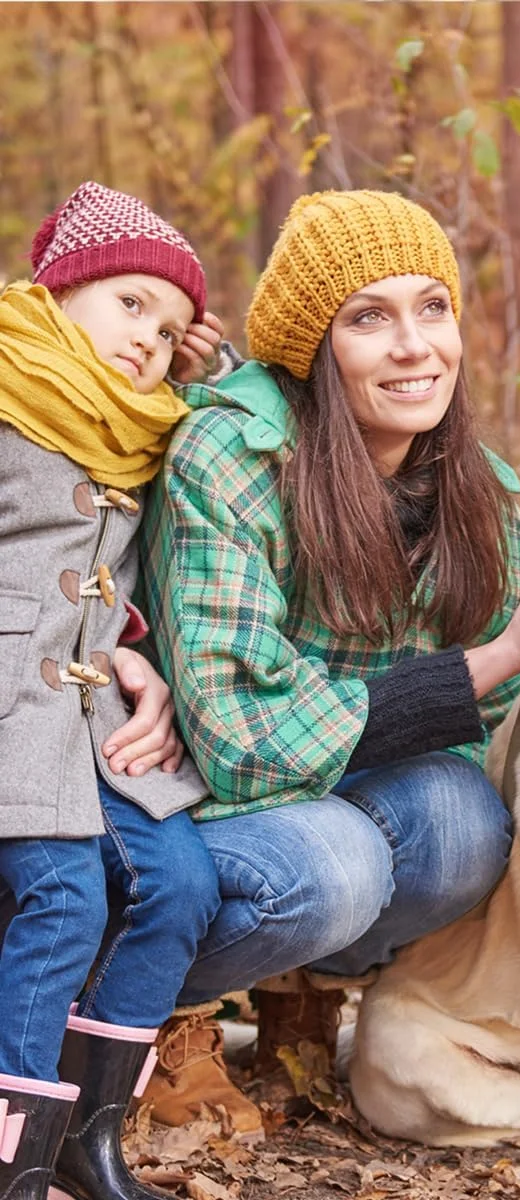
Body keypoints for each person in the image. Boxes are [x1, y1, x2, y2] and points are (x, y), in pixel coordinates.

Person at [137, 189, 520, 1124]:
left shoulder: (480, 495)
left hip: (329, 781)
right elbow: (239, 740)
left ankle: (299, 991)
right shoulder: (230, 457)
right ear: (314, 348)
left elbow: (471, 733)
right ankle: (154, 1016)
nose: (415, 347)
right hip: (192, 801)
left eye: (433, 308)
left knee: (462, 826)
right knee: (337, 866)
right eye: (369, 318)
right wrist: (493, 660)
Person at [0, 181, 226, 1200]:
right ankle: (13, 1158)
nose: (148, 338)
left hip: (88, 718)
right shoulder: (12, 387)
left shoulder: (139, 427)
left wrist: (126, 638)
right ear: (63, 290)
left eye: (170, 328)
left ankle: (87, 1140)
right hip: (13, 715)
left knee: (181, 884)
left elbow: (102, 570)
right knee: (63, 898)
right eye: (130, 303)